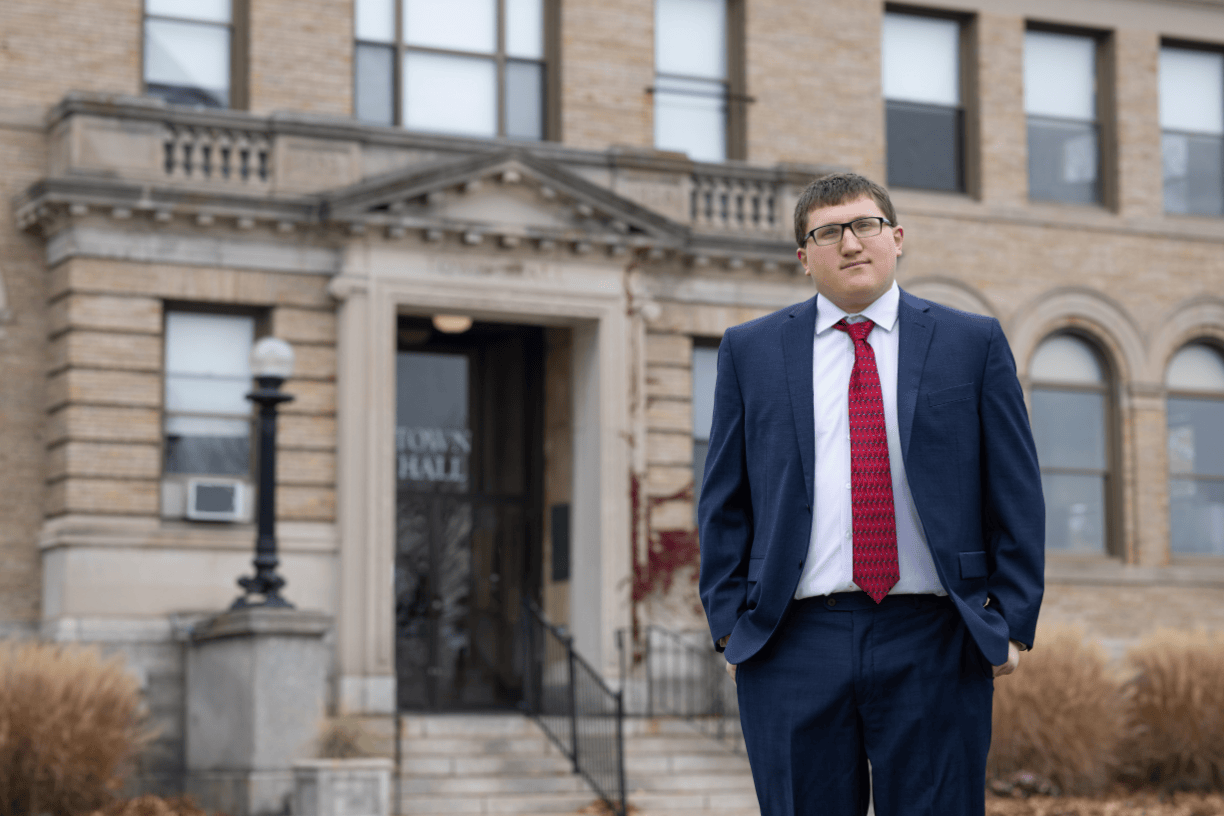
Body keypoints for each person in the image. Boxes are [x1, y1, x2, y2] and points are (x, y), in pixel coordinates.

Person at [697, 172, 1045, 816]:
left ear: (897, 238)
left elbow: (1015, 488)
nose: (850, 243)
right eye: (827, 232)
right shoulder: (751, 351)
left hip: (935, 636)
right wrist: (728, 629)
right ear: (804, 258)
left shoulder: (972, 343)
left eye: (865, 225)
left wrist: (1012, 625)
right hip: (792, 641)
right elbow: (725, 499)